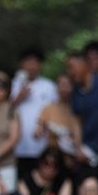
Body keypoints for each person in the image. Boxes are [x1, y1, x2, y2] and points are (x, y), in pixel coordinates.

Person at [11, 46, 59, 175]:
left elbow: (56, 112)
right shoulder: (12, 85)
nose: (31, 66)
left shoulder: (49, 86)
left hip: (42, 145)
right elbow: (4, 112)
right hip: (16, 146)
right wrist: (19, 98)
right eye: (28, 62)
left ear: (40, 65)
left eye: (35, 62)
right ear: (21, 64)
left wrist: (44, 126)